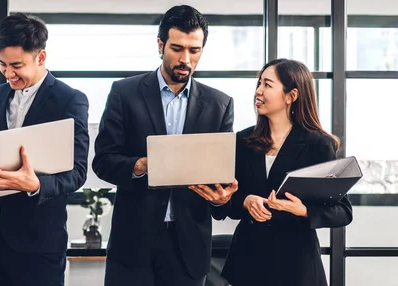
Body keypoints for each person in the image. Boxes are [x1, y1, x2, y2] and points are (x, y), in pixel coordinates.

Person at [92, 5, 238, 286]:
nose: (185, 59)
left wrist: (222, 198)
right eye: (177, 48)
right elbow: (103, 161)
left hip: (188, 248)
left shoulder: (220, 105)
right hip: (132, 243)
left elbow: (220, 175)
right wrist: (141, 165)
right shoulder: (124, 93)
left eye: (194, 50)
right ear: (160, 45)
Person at [0, 13, 89, 286]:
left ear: (41, 57)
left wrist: (35, 184)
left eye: (17, 66)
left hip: (40, 245)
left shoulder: (69, 100)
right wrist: (1, 167)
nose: (9, 74)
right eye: (2, 65)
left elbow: (78, 173)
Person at [215, 58, 353, 286]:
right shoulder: (243, 140)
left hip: (296, 266)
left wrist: (303, 210)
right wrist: (245, 201)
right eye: (259, 83)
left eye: (267, 85)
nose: (258, 91)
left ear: (291, 96)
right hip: (247, 263)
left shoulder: (318, 144)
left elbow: (343, 211)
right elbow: (225, 203)